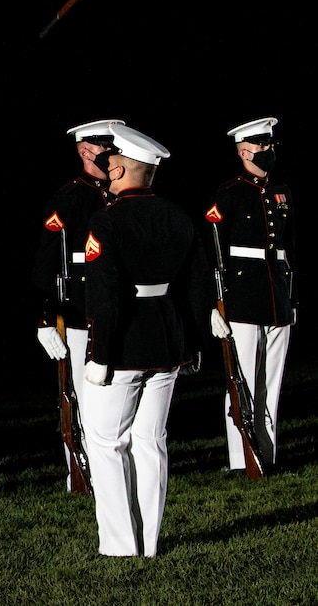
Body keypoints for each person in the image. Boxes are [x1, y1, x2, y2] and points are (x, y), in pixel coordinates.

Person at [82, 122, 214, 557]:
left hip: (123, 345)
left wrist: (100, 353)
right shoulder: (178, 215)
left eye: (110, 164)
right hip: (168, 341)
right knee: (151, 442)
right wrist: (194, 344)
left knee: (106, 442)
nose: (107, 170)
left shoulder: (107, 219)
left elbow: (104, 294)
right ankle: (150, 542)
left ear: (120, 170)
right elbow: (198, 287)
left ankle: (121, 545)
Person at [31, 118, 125, 491]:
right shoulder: (69, 197)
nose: (112, 151)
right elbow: (46, 262)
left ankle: (113, 467)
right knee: (84, 399)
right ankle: (83, 473)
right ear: (86, 150)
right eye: (105, 145)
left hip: (117, 309)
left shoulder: (120, 193)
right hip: (78, 311)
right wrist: (44, 319)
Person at [205, 116, 297, 474]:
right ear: (244, 151)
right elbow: (214, 251)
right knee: (241, 380)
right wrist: (215, 302)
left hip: (277, 292)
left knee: (271, 382)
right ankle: (240, 459)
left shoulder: (281, 191)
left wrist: (292, 297)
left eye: (270, 143)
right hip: (243, 295)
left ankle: (267, 455)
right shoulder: (229, 193)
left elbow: (289, 247)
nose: (268, 149)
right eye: (261, 144)